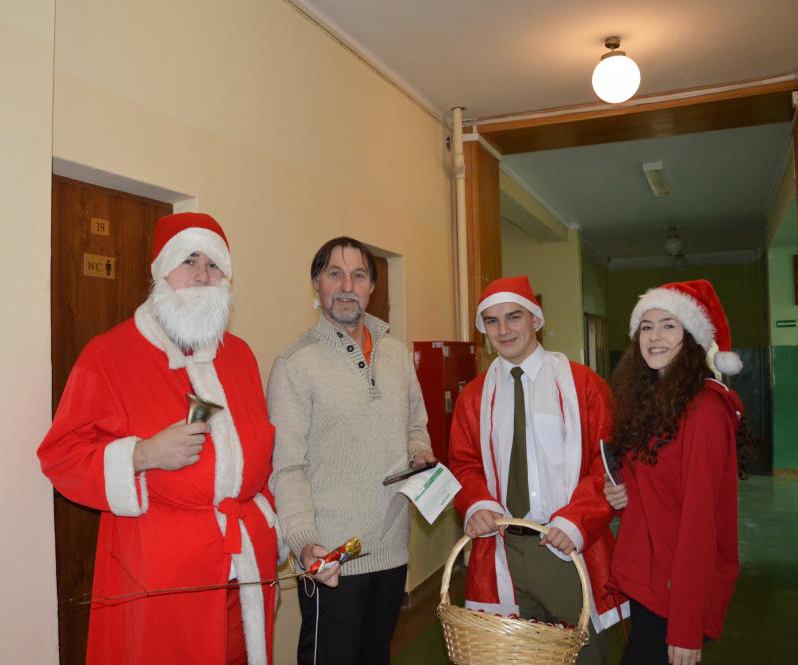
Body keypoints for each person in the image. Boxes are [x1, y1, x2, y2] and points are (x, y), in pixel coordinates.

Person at [38, 213, 281, 665]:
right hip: (161, 580)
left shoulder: (240, 356)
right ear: (161, 271)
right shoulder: (108, 356)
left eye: (214, 265)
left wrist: (270, 523)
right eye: (189, 261)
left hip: (244, 570)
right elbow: (61, 456)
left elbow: (260, 457)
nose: (202, 276)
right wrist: (143, 454)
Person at [267, 236, 435, 665]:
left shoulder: (396, 354)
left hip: (392, 550)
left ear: (371, 286)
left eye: (358, 275)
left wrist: (419, 451)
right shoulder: (294, 364)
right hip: (331, 560)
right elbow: (286, 468)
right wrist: (305, 543)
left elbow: (416, 424)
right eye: (334, 274)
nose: (346, 286)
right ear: (316, 283)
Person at [448, 276, 628, 665]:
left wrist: (576, 522)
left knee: (585, 655)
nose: (503, 330)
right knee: (510, 658)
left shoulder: (583, 385)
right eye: (492, 321)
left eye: (514, 317)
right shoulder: (474, 396)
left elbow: (607, 465)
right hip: (501, 549)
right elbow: (464, 463)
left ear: (535, 319)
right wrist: (477, 504)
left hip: (566, 548)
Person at [604, 279, 744, 665]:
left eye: (669, 325)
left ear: (693, 337)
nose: (654, 337)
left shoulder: (703, 411)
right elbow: (656, 486)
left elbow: (701, 526)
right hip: (650, 580)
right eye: (646, 327)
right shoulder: (653, 401)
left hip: (676, 592)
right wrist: (620, 494)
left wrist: (685, 625)